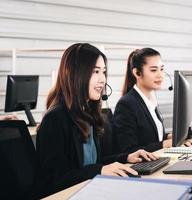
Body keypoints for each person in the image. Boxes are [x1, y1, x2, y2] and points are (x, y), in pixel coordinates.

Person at [36, 43, 157, 198]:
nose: (102, 79)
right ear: (75, 74)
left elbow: (94, 162)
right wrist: (99, 170)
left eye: (104, 72)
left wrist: (126, 157)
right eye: (95, 71)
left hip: (90, 190)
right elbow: (53, 180)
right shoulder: (55, 119)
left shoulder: (88, 112)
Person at [113, 48, 192, 154]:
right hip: (142, 168)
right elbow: (129, 151)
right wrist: (165, 144)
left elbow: (150, 138)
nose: (160, 75)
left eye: (161, 69)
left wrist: (174, 137)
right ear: (137, 73)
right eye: (153, 70)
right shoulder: (126, 104)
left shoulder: (150, 100)